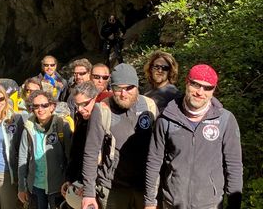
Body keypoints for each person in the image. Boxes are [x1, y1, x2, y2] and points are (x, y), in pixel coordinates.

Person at [144, 64, 243, 209]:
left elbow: (234, 166)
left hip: (210, 204)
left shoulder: (225, 120)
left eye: (207, 88)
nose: (200, 92)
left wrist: (234, 206)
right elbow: (154, 161)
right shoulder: (166, 118)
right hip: (172, 203)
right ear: (187, 82)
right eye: (196, 85)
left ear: (213, 90)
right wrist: (150, 202)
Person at [81, 63, 157, 209]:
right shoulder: (102, 110)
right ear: (112, 88)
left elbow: (159, 149)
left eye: (129, 88)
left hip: (144, 186)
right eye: (118, 88)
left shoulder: (149, 107)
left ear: (137, 87)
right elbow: (90, 153)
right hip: (112, 188)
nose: (124, 94)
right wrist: (89, 193)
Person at [18, 90, 73, 209]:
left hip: (58, 186)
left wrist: (69, 181)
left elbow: (70, 157)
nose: (40, 109)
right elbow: (23, 158)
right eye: (36, 106)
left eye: (44, 105)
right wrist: (22, 187)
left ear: (52, 106)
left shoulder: (62, 126)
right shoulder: (28, 128)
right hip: (36, 186)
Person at [62, 82, 99, 203]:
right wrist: (70, 179)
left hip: (95, 186)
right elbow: (75, 153)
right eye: (77, 105)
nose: (80, 109)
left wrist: (89, 186)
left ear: (95, 99)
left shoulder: (103, 121)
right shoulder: (80, 119)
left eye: (84, 104)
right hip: (78, 184)